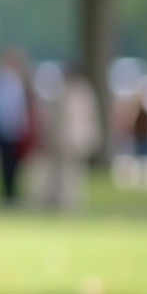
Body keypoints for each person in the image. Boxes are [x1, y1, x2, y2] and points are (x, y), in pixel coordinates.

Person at [38, 63, 102, 211]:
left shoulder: (82, 92)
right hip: (64, 139)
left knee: (74, 174)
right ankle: (62, 201)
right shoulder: (65, 92)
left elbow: (90, 118)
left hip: (76, 139)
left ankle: (70, 202)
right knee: (64, 173)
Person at [0, 48, 37, 207]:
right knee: (2, 167)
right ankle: (5, 197)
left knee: (17, 167)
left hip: (18, 133)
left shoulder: (21, 86)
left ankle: (14, 196)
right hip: (1, 132)